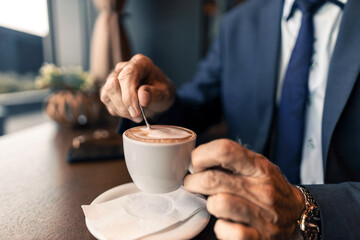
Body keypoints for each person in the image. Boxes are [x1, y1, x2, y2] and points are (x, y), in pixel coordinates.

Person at [100, 0, 360, 239]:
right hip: (235, 227)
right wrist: (155, 104)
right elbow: (195, 107)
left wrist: (306, 207)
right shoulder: (237, 23)